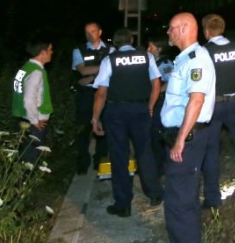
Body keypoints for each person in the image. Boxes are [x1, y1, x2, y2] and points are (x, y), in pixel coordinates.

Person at [91, 28, 164, 217]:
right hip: (140, 109)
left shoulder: (109, 60)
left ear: (115, 43)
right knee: (145, 152)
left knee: (119, 156)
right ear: (131, 40)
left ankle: (123, 204)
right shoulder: (146, 56)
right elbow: (157, 83)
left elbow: (101, 93)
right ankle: (155, 194)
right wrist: (150, 105)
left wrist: (95, 117)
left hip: (116, 111)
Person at [161, 12, 216, 243]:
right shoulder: (184, 58)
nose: (168, 32)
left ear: (183, 28)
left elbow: (196, 100)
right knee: (181, 197)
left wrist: (181, 139)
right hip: (184, 137)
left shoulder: (196, 59)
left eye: (171, 28)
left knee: (180, 201)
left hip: (188, 140)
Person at [200, 14, 235, 209]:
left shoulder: (204, 51)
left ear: (207, 32)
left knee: (211, 150)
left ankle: (212, 199)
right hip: (233, 103)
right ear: (223, 29)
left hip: (213, 105)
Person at [72, 22, 113, 174]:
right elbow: (82, 71)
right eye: (87, 32)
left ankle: (100, 163)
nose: (90, 34)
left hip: (106, 93)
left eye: (93, 31)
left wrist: (91, 75)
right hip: (86, 94)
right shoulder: (79, 50)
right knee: (83, 130)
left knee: (104, 130)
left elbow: (114, 69)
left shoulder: (111, 49)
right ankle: (82, 164)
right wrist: (104, 68)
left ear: (100, 32)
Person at [11, 38, 54, 164]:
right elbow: (29, 99)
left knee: (24, 155)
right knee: (30, 160)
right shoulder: (36, 72)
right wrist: (35, 121)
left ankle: (21, 181)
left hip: (23, 118)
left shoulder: (25, 68)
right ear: (43, 52)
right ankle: (25, 182)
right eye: (50, 50)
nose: (52, 52)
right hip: (34, 121)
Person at [147, 36, 175, 177]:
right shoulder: (153, 62)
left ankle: (162, 168)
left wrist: (156, 91)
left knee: (158, 135)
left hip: (161, 103)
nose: (148, 50)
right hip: (156, 101)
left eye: (151, 47)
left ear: (159, 49)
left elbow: (171, 81)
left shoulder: (164, 63)